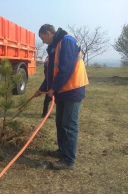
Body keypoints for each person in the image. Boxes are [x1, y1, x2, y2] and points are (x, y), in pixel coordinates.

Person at [34, 24, 89, 170]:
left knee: (69, 126)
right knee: (60, 123)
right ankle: (62, 151)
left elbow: (66, 69)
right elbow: (52, 74)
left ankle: (69, 160)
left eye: (42, 37)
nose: (43, 41)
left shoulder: (67, 42)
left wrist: (53, 88)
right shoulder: (53, 47)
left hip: (72, 90)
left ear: (48, 33)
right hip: (62, 91)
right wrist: (41, 89)